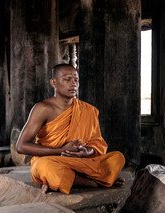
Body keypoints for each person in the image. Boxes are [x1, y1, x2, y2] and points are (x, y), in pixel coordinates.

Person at [16, 64, 125, 194]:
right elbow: (21, 146)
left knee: (117, 158)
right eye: (67, 79)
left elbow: (96, 143)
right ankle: (94, 182)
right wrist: (61, 151)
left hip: (80, 161)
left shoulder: (88, 110)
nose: (73, 84)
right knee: (44, 166)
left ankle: (64, 180)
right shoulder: (43, 108)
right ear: (54, 82)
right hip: (50, 159)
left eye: (76, 80)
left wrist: (87, 152)